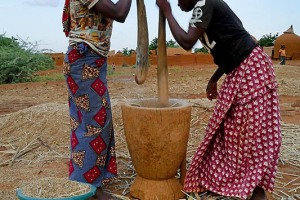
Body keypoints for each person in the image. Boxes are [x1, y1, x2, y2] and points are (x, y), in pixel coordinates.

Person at [156, 0, 281, 199]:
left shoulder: (205, 3)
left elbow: (187, 42)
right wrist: (214, 79)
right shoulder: (206, 8)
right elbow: (231, 47)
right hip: (238, 71)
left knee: (249, 133)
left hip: (251, 70)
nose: (178, 3)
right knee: (225, 130)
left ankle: (256, 191)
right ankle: (228, 183)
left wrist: (167, 12)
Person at [62, 0, 132, 199]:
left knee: (91, 122)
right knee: (95, 123)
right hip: (85, 59)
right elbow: (120, 13)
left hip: (90, 59)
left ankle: (88, 182)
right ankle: (89, 189)